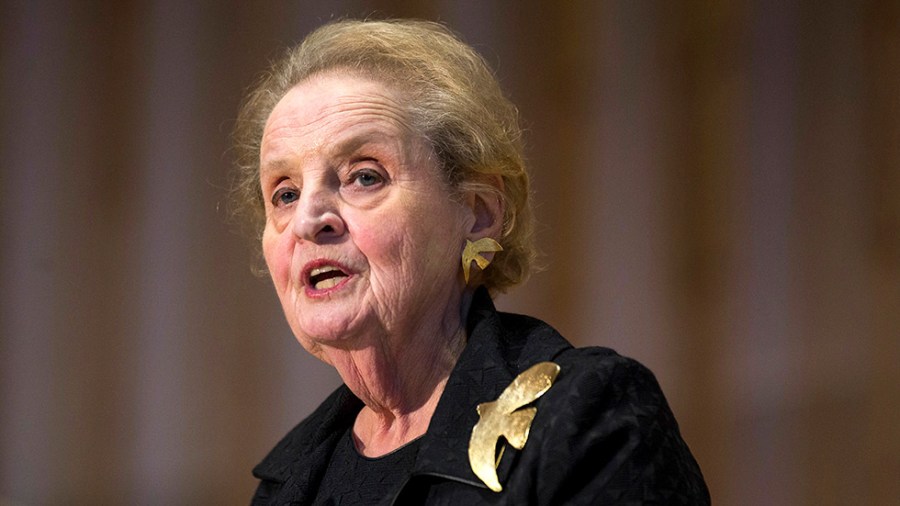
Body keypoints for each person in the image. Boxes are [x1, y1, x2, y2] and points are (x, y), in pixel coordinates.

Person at [231, 18, 709, 505]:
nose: (309, 219)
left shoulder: (589, 419)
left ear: (478, 213)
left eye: (364, 177)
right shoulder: (285, 486)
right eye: (285, 193)